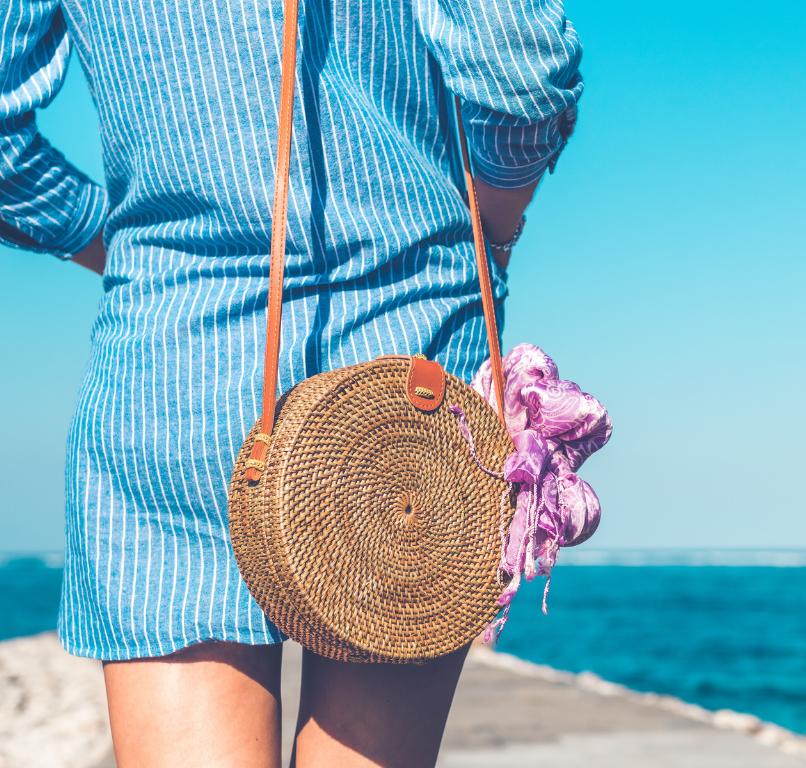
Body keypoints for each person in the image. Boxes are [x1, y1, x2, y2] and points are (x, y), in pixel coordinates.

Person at [0, 0, 583, 765]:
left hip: (173, 365)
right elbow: (520, 68)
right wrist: (494, 228)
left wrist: (126, 248)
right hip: (405, 351)